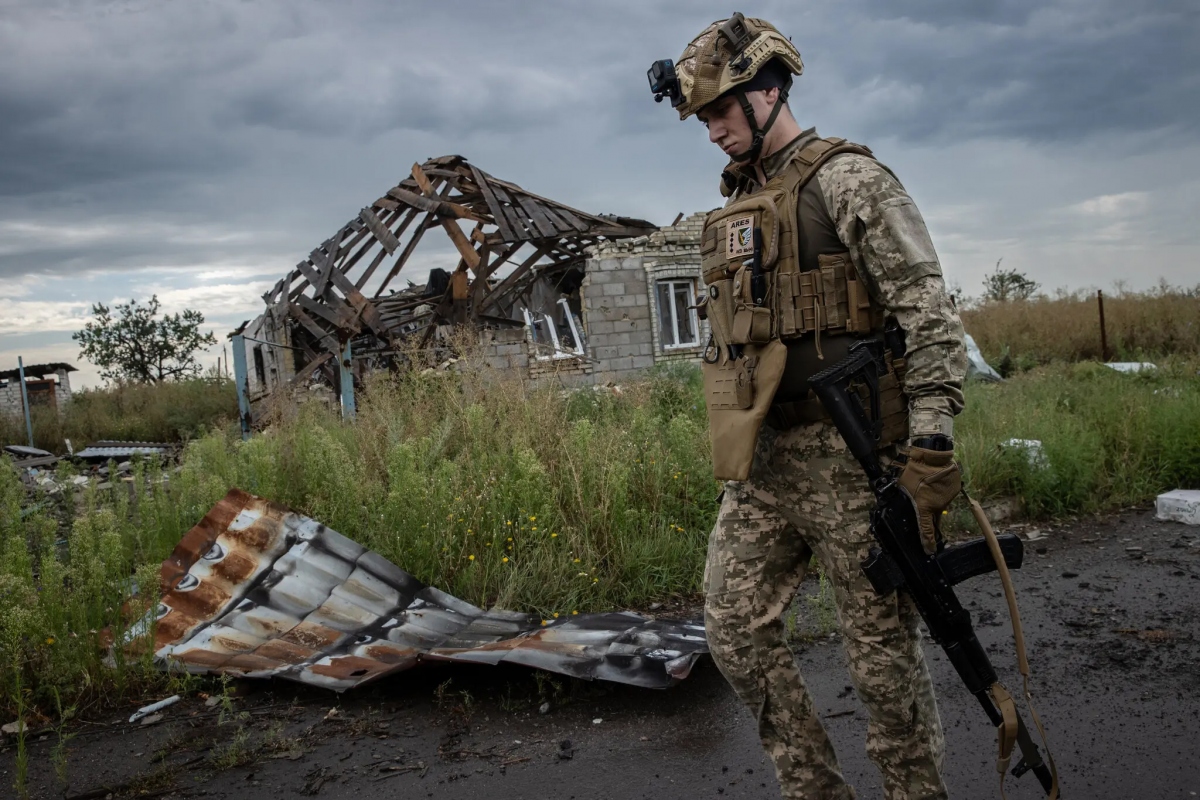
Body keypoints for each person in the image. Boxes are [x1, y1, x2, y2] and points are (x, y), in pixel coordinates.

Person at [649, 13, 968, 800]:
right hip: (765, 464)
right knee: (731, 632)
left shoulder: (849, 180)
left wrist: (929, 447)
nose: (713, 131)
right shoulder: (736, 208)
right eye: (703, 118)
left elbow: (929, 315)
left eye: (722, 111)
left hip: (856, 462)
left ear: (770, 89)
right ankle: (815, 789)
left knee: (881, 664)